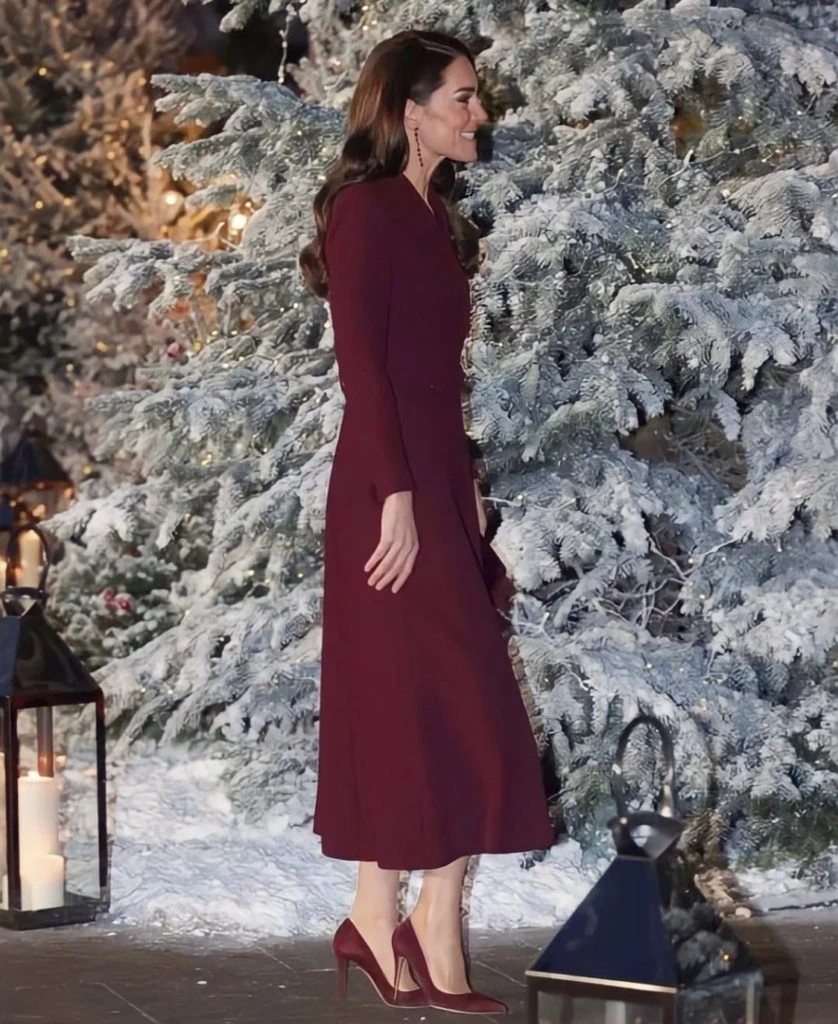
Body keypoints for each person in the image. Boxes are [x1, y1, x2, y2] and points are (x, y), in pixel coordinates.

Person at [298, 28, 554, 1016]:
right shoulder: (364, 213)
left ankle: (393, 915)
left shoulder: (429, 213)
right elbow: (362, 365)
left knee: (445, 707)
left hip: (434, 482)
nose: (476, 113)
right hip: (384, 487)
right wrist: (398, 491)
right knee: (434, 703)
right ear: (409, 110)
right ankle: (402, 919)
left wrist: (462, 483)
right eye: (462, 96)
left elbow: (432, 376)